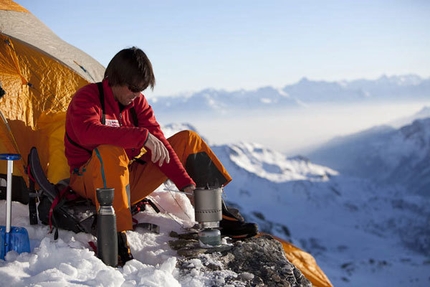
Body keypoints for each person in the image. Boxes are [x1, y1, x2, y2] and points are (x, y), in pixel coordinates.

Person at [64, 47, 257, 265]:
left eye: (142, 89)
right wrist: (140, 137)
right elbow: (86, 133)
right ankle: (115, 236)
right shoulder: (88, 97)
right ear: (115, 79)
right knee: (110, 150)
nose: (137, 94)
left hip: (124, 181)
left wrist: (186, 185)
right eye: (134, 88)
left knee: (186, 139)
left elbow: (162, 146)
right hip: (89, 183)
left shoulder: (137, 104)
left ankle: (216, 214)